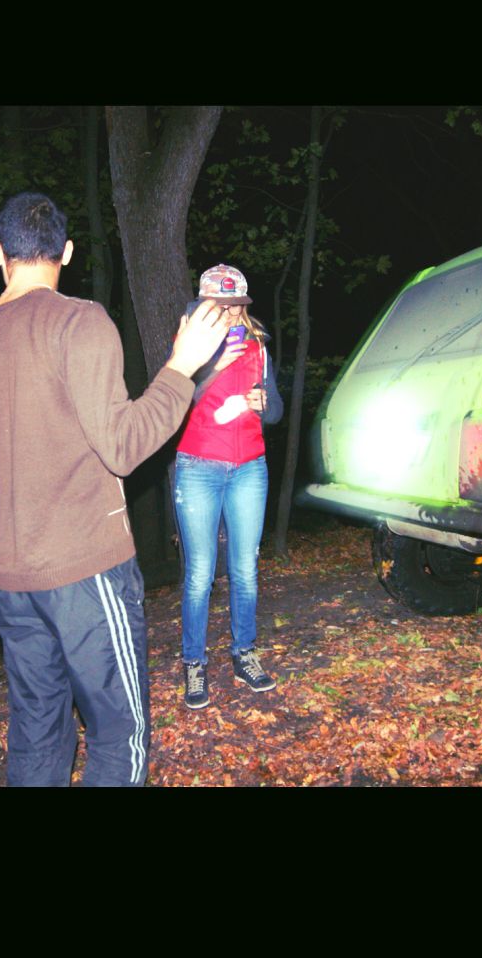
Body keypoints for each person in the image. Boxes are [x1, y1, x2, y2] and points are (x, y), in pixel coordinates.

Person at [0, 192, 227, 787]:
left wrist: (16, 457)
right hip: (87, 572)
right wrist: (181, 369)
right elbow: (123, 445)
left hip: (13, 581)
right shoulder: (79, 321)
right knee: (118, 734)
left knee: (38, 732)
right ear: (65, 251)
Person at [174, 264, 283, 710]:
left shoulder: (258, 346)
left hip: (249, 468)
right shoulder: (189, 346)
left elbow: (275, 411)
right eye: (222, 306)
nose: (232, 313)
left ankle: (244, 652)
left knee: (245, 569)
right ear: (205, 306)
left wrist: (262, 403)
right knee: (201, 573)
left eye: (238, 305)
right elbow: (178, 399)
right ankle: (193, 661)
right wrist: (217, 364)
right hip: (198, 466)